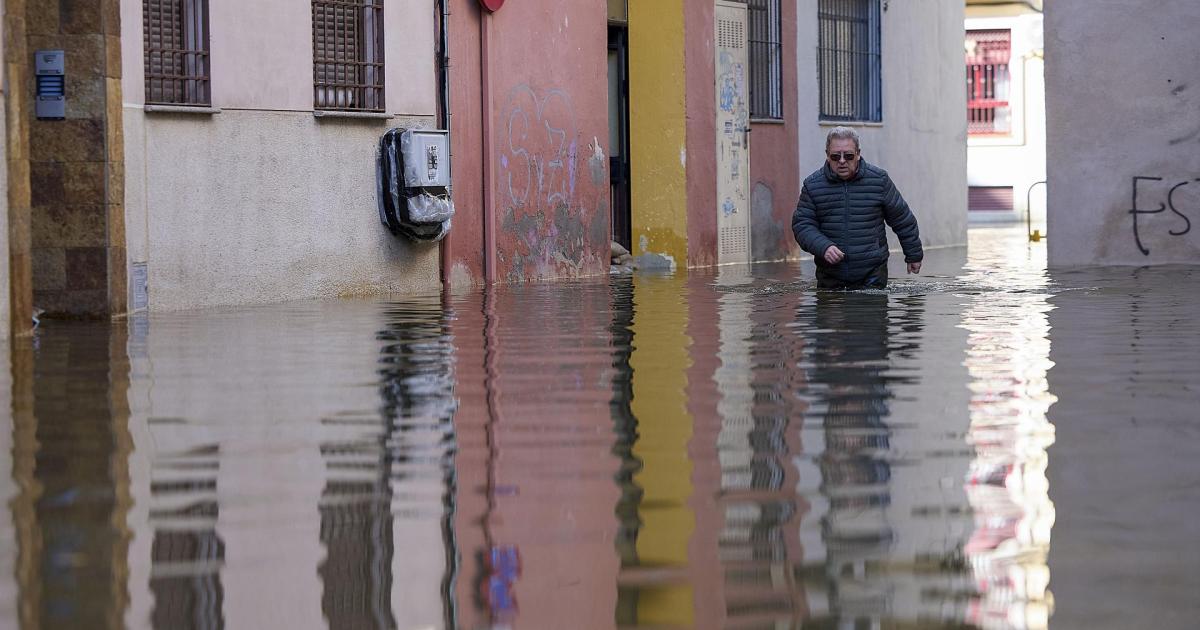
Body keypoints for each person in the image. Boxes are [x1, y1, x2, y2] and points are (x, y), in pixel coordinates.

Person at [792, 127, 923, 289]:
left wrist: (913, 255)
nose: (841, 161)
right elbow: (802, 225)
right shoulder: (813, 185)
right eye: (835, 156)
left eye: (848, 156)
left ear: (858, 154)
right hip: (831, 275)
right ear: (827, 155)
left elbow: (902, 219)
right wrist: (823, 247)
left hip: (872, 273)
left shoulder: (879, 180)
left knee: (869, 310)